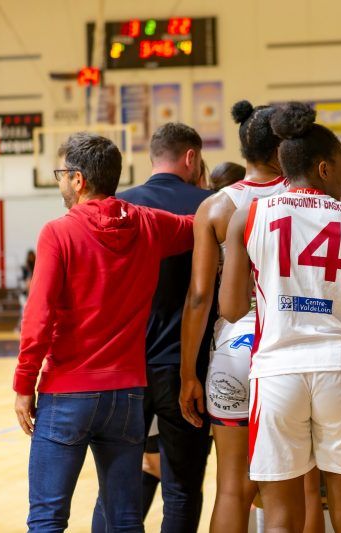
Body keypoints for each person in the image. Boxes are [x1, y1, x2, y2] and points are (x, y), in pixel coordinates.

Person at [219, 101, 341, 532]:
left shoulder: (247, 216)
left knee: (282, 518)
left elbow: (230, 309)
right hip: (337, 372)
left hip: (275, 374)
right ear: (323, 169)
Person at [12, 133, 195, 532]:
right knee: (125, 518)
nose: (60, 181)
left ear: (78, 180)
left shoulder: (57, 233)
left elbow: (38, 318)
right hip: (128, 395)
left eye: (61, 174)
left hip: (67, 393)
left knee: (47, 518)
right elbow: (200, 225)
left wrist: (25, 383)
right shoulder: (148, 224)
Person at [179, 100, 288, 533]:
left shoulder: (217, 206)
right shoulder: (303, 201)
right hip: (289, 348)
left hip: (233, 350)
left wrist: (189, 372)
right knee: (294, 486)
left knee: (231, 487)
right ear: (284, 149)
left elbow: (200, 296)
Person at [116, 122, 214, 533]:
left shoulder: (119, 205)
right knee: (183, 487)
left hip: (126, 367)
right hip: (185, 367)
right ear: (191, 158)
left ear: (152, 157)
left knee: (117, 486)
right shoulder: (212, 205)